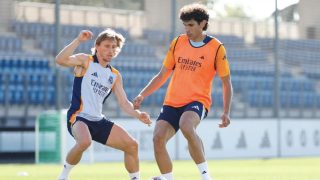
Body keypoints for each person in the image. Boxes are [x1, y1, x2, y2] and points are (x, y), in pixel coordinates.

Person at [133, 3, 233, 180]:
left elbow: (226, 82)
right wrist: (143, 94)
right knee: (157, 138)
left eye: (191, 25)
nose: (187, 29)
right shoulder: (178, 42)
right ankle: (168, 178)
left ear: (203, 24)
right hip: (172, 102)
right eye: (185, 25)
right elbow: (162, 74)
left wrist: (226, 112)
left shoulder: (217, 47)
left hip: (197, 101)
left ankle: (205, 176)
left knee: (186, 125)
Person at [55, 28, 152, 180]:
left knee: (132, 145)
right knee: (85, 142)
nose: (110, 50)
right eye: (107, 46)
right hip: (78, 116)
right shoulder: (85, 61)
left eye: (114, 47)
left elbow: (124, 103)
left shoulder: (114, 75)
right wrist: (78, 40)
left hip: (98, 120)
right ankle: (63, 176)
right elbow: (60, 60)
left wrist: (138, 115)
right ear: (97, 46)